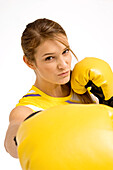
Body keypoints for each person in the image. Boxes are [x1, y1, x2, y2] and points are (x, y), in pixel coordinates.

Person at [4, 18, 98, 158]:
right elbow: (11, 143)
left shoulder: (88, 88)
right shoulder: (28, 108)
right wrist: (24, 134)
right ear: (29, 63)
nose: (63, 65)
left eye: (65, 51)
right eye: (49, 58)